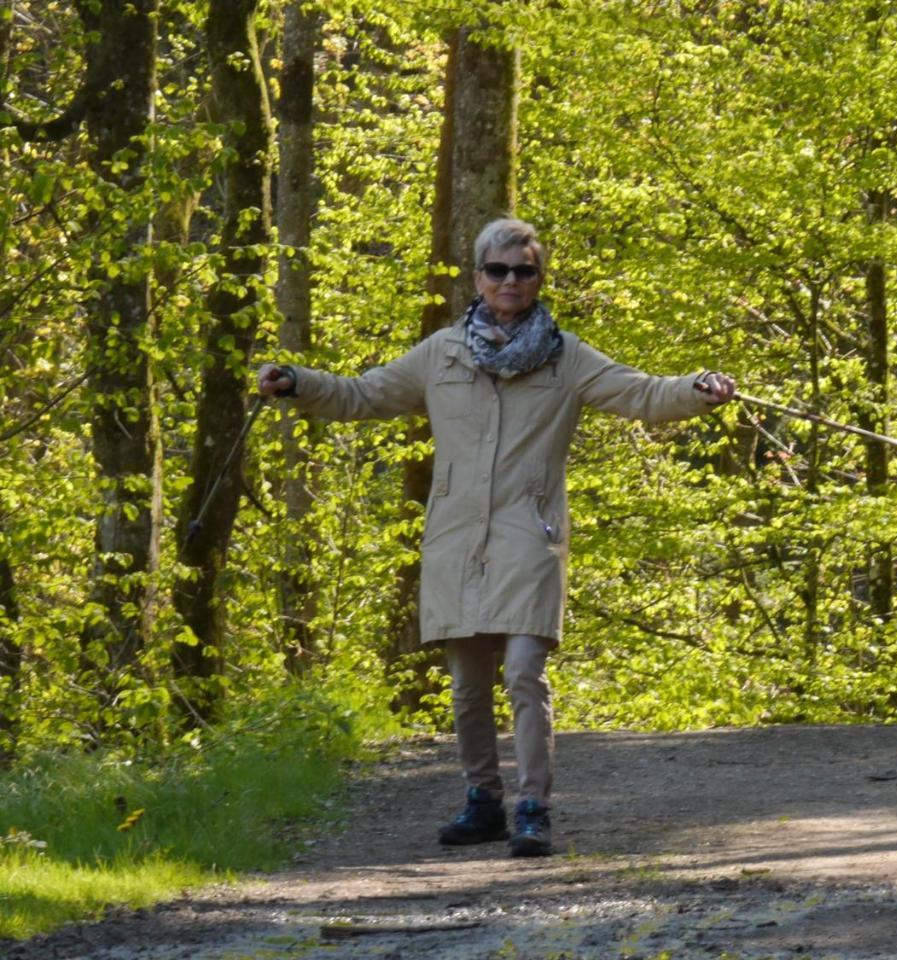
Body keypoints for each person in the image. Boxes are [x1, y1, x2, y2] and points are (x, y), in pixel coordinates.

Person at [258, 217, 734, 857]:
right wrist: (299, 382)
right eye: (498, 270)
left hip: (529, 534)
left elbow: (642, 393)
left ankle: (533, 807)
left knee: (523, 672)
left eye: (525, 271)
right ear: (479, 277)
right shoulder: (441, 352)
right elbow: (364, 395)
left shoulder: (567, 357)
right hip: (455, 537)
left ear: (539, 279)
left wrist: (698, 390)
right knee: (466, 685)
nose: (511, 281)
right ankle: (483, 803)